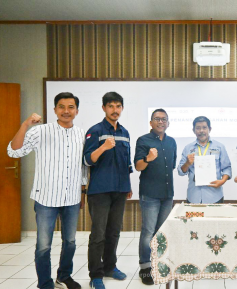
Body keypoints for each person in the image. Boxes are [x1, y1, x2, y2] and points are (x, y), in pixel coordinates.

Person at [7, 92, 85, 289]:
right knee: (43, 245)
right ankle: (45, 283)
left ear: (76, 110)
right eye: (61, 107)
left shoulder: (82, 134)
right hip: (46, 199)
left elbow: (83, 166)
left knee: (70, 242)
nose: (66, 111)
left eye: (70, 107)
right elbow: (14, 151)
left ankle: (63, 277)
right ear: (54, 110)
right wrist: (25, 125)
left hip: (72, 198)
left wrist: (83, 192)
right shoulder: (40, 131)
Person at [81, 92, 132, 287]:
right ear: (104, 108)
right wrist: (103, 147)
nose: (115, 110)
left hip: (120, 190)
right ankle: (96, 275)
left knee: (114, 232)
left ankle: (110, 267)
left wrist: (127, 186)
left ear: (122, 109)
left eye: (118, 106)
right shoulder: (95, 131)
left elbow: (127, 162)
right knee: (98, 234)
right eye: (111, 106)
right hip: (100, 191)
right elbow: (87, 160)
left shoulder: (125, 133)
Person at [135, 108, 177, 285]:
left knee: (161, 232)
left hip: (167, 194)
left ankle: (158, 264)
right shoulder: (143, 140)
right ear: (151, 122)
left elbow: (172, 166)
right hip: (150, 194)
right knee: (148, 232)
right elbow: (138, 166)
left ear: (168, 123)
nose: (161, 122)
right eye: (157, 119)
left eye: (164, 119)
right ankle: (145, 268)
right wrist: (148, 159)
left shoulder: (172, 142)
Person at [178, 116, 232, 204]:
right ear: (193, 130)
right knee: (193, 218)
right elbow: (180, 172)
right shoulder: (188, 148)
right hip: (193, 196)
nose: (201, 131)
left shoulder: (219, 147)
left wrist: (222, 181)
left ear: (209, 129)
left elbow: (227, 168)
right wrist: (187, 164)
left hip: (214, 196)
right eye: (198, 128)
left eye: (204, 127)